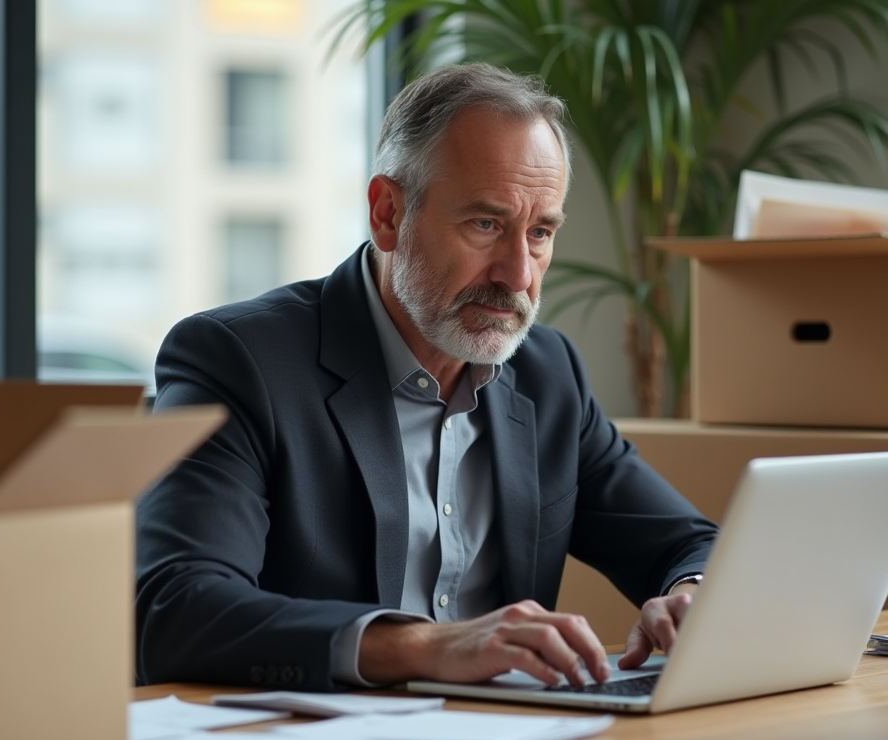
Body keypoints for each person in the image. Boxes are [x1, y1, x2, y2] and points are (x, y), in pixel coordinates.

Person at [135, 63, 719, 692]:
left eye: (541, 232)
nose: (519, 274)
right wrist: (426, 646)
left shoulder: (548, 376)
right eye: (486, 224)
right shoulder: (236, 360)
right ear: (387, 213)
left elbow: (687, 544)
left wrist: (691, 592)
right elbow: (177, 610)